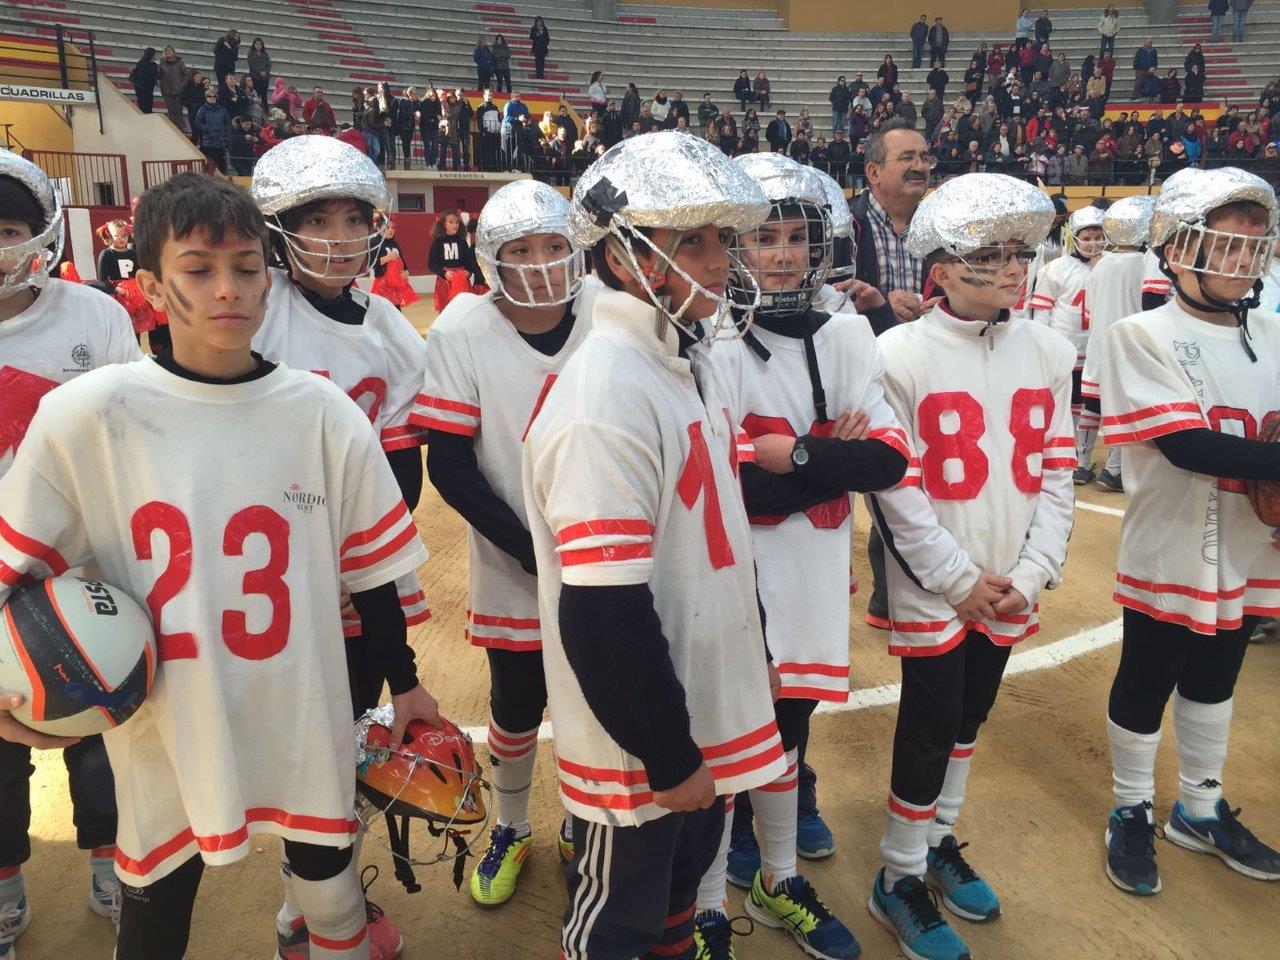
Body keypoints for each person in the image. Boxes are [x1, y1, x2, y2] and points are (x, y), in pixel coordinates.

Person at [0, 168, 438, 960]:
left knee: (331, 892)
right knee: (156, 914)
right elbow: (12, 565)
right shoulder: (89, 416)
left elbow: (373, 573)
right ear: (149, 287)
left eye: (246, 267)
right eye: (199, 270)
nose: (228, 289)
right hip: (167, 721)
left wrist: (404, 681)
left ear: (269, 279)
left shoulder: (325, 414)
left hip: (300, 707)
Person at [522, 128, 785, 960]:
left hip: (696, 701)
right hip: (644, 740)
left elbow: (718, 543)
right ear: (624, 255)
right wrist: (668, 756)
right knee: (617, 925)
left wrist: (754, 657)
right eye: (693, 241)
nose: (721, 260)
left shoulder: (682, 358)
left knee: (674, 901)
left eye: (721, 238)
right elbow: (601, 616)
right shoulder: (605, 392)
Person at [693, 153, 907, 960]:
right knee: (725, 731)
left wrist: (800, 455)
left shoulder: (847, 332)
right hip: (734, 567)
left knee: (789, 725)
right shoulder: (712, 337)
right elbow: (730, 486)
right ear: (735, 245)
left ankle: (778, 879)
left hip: (813, 568)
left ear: (824, 245)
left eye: (796, 237)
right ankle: (708, 905)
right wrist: (830, 456)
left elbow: (888, 460)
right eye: (763, 237)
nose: (782, 254)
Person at [868, 172, 1074, 960]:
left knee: (970, 715)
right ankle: (897, 873)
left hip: (1010, 576)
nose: (1013, 268)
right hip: (937, 583)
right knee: (929, 722)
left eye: (1018, 253)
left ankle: (936, 839)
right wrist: (956, 580)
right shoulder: (897, 354)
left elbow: (1058, 473)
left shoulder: (1048, 350)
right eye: (990, 254)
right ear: (941, 268)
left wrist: (1032, 571)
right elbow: (896, 491)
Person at [248, 138, 437, 960]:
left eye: (352, 220)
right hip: (271, 567)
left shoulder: (389, 325)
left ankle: (311, 908)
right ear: (279, 228)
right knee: (301, 749)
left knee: (348, 736)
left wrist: (364, 558)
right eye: (316, 220)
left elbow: (400, 472)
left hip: (355, 568)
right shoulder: (257, 310)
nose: (336, 238)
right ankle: (315, 912)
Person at [1096, 166, 1280, 898]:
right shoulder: (1141, 333)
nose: (1243, 262)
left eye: (1254, 247)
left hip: (1248, 539)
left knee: (1216, 674)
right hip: (1172, 538)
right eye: (1226, 245)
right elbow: (1187, 446)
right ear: (1177, 250)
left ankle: (1199, 808)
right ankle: (1131, 806)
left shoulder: (1274, 331)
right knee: (1149, 673)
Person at [413, 180, 591, 908]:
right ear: (492, 258)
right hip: (514, 555)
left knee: (593, 698)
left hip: (604, 550)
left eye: (554, 246)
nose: (542, 264)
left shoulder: (610, 311)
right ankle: (512, 825)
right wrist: (528, 547)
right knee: (516, 701)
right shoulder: (462, 327)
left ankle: (583, 820)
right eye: (521, 250)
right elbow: (450, 464)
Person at [0, 153, 139, 960]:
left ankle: (110, 866)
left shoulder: (94, 315)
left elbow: (129, 437)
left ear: (41, 232)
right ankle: (5, 889)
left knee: (99, 732)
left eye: (8, 228)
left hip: (79, 571)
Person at [1078, 194, 1155, 492]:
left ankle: (1080, 462)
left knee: (1092, 405)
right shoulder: (1145, 263)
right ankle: (1114, 469)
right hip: (1130, 346)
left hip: (1099, 343)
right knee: (1124, 408)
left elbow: (1088, 311)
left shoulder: (1100, 265)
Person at [1031, 204, 1105, 483]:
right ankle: (1061, 453)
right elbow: (1042, 312)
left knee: (1090, 405)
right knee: (1064, 404)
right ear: (1074, 238)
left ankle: (1082, 458)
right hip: (1066, 347)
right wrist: (1044, 348)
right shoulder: (1055, 268)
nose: (1093, 243)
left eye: (1098, 237)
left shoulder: (1110, 266)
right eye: (1087, 238)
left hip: (1095, 349)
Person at [429, 209, 481, 312]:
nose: (455, 225)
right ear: (443, 224)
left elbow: (469, 261)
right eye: (451, 222)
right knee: (446, 310)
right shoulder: (437, 243)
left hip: (461, 280)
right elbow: (432, 264)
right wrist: (444, 273)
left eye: (457, 222)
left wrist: (468, 271)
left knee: (462, 309)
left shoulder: (462, 241)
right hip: (445, 282)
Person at [194, 88, 231, 173]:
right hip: (208, 142)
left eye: (214, 96)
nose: (212, 98)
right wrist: (206, 129)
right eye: (209, 96)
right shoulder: (202, 109)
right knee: (210, 164)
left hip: (221, 141)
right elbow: (198, 122)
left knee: (222, 166)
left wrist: (224, 131)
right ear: (206, 98)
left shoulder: (222, 109)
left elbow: (227, 122)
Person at [155, 46, 188, 130]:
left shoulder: (179, 62)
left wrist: (182, 85)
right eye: (166, 50)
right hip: (166, 90)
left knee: (178, 110)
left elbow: (185, 74)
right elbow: (158, 74)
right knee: (171, 110)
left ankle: (180, 128)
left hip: (179, 90)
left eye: (170, 50)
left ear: (173, 52)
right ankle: (172, 128)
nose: (168, 52)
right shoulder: (162, 62)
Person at [130, 47, 158, 114]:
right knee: (144, 108)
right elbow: (143, 76)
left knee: (148, 107)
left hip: (148, 89)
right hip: (142, 89)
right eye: (155, 54)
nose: (156, 56)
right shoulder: (142, 63)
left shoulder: (153, 64)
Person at [245, 38, 270, 109]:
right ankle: (256, 110)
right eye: (257, 44)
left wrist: (265, 72)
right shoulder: (251, 54)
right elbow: (252, 65)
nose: (258, 46)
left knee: (264, 96)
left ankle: (266, 110)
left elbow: (269, 65)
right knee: (256, 94)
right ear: (254, 45)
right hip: (255, 77)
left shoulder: (265, 55)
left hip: (265, 78)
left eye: (260, 44)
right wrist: (260, 72)